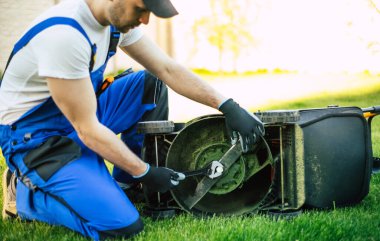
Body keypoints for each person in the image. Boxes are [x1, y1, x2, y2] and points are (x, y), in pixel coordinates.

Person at [0, 0, 264, 240]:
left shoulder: (113, 22)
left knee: (151, 84)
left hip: (79, 112)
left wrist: (227, 105)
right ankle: (24, 194)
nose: (146, 20)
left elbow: (166, 68)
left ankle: (127, 184)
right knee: (122, 227)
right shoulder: (65, 35)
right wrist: (146, 171)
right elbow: (88, 130)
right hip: (38, 141)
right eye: (141, 9)